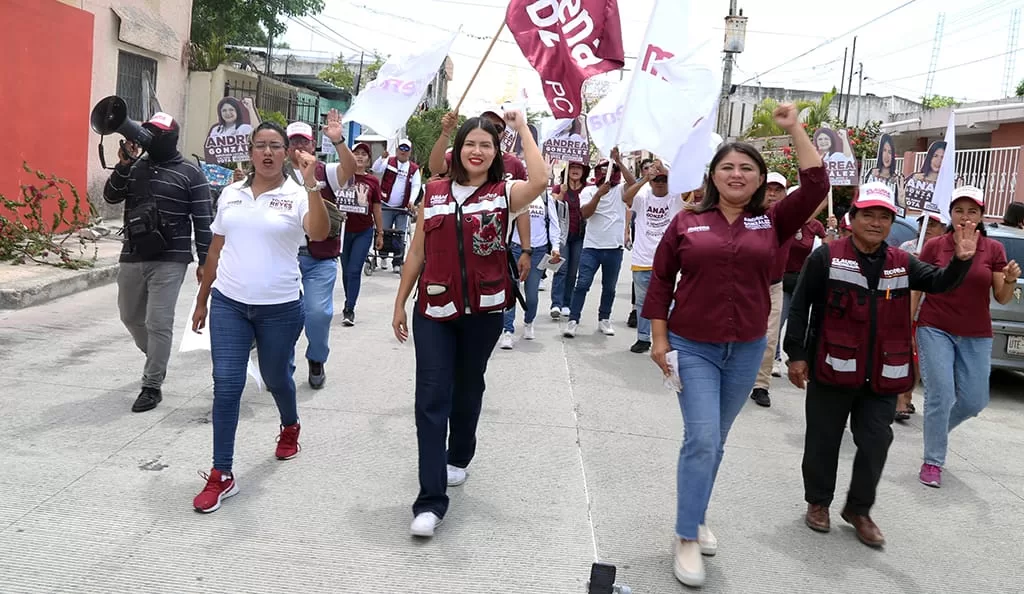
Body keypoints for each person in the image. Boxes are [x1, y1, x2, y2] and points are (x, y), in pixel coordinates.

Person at [644, 104, 829, 588]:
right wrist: (659, 340)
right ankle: (686, 535)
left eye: (747, 167)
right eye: (727, 166)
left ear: (761, 178)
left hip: (745, 349)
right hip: (693, 346)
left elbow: (816, 186)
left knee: (717, 440)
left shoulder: (773, 223)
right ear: (713, 175)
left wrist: (795, 129)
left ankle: (696, 512)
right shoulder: (687, 222)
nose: (737, 173)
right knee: (702, 438)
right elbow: (662, 280)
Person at [784, 182, 976, 548]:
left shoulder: (901, 262)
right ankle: (818, 502)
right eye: (868, 215)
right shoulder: (826, 256)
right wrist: (796, 355)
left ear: (891, 223)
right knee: (823, 440)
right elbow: (800, 307)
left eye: (884, 217)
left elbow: (938, 283)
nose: (875, 223)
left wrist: (961, 262)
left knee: (876, 440)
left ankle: (858, 509)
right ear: (852, 218)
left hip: (882, 373)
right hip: (833, 366)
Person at [391, 109, 547, 538]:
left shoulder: (505, 193)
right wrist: (400, 302)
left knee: (468, 386)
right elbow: (418, 252)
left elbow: (540, 180)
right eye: (470, 143)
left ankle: (459, 455)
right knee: (430, 399)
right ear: (457, 149)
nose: (477, 151)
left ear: (496, 152)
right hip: (434, 312)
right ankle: (430, 501)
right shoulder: (434, 190)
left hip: (484, 312)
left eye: (486, 144)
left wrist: (522, 129)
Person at [189, 121, 332, 513]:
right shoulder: (230, 194)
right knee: (227, 384)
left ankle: (290, 424)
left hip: (281, 307)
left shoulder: (298, 194)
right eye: (260, 146)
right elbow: (215, 251)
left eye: (275, 146)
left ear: (287, 152)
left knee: (276, 377)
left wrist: (313, 184)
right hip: (229, 303)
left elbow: (318, 234)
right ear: (249, 152)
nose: (267, 153)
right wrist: (202, 301)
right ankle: (222, 473)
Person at [103, 112, 212, 413]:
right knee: (130, 316)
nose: (150, 137)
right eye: (147, 131)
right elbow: (111, 196)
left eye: (157, 133)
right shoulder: (136, 168)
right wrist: (124, 165)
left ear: (172, 137)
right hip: (133, 253)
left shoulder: (192, 174)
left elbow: (204, 221)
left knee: (158, 321)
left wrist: (206, 261)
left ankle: (151, 385)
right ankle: (157, 359)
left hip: (171, 258)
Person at [915, 186, 1021, 488]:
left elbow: (1001, 296)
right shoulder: (935, 246)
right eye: (959, 210)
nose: (965, 217)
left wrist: (1011, 280)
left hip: (976, 333)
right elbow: (917, 286)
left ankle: (937, 429)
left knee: (975, 401)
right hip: (935, 327)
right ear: (950, 214)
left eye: (972, 211)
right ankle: (933, 460)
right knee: (942, 394)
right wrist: (907, 322)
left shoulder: (994, 249)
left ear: (981, 216)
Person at [284, 114, 357, 389]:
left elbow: (349, 169)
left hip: (319, 257)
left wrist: (338, 140)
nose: (299, 146)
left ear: (314, 144)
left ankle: (316, 358)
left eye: (304, 140)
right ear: (287, 146)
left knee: (318, 313)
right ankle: (281, 364)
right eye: (294, 141)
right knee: (284, 317)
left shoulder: (324, 171)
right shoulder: (275, 175)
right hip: (285, 257)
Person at [564, 150, 636, 338]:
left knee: (609, 288)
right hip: (591, 247)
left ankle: (604, 318)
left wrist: (619, 161)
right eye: (601, 171)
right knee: (582, 284)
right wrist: (598, 195)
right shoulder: (588, 191)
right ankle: (573, 319)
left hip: (614, 248)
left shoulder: (620, 190)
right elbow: (585, 214)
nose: (606, 175)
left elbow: (633, 184)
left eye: (610, 171)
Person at [622, 159, 683, 353]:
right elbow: (626, 198)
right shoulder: (643, 196)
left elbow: (692, 189)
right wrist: (644, 179)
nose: (660, 182)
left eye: (664, 179)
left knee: (669, 302)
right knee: (642, 302)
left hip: (668, 260)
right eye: (656, 179)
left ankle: (668, 338)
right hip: (642, 258)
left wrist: (667, 170)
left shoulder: (676, 198)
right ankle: (643, 338)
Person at [749, 172, 793, 407]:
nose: (773, 194)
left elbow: (815, 199)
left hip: (774, 285)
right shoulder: (746, 213)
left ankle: (761, 385)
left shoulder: (788, 218)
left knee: (769, 338)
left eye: (779, 189)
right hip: (746, 285)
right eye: (769, 188)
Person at [500, 186, 562, 349]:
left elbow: (554, 225)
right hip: (515, 248)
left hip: (539, 250)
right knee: (512, 289)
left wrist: (555, 247)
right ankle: (508, 330)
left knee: (532, 294)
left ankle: (529, 321)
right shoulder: (517, 194)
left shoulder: (546, 198)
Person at [337, 143, 385, 325]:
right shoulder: (341, 174)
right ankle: (348, 300)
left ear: (368, 159)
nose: (359, 156)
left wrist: (380, 233)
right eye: (355, 153)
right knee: (346, 272)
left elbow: (377, 208)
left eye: (363, 154)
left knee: (354, 270)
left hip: (363, 231)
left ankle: (349, 308)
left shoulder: (372, 181)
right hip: (343, 230)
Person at [372, 138, 422, 273]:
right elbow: (375, 168)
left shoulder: (413, 169)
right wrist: (381, 159)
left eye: (406, 149)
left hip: (402, 208)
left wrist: (411, 200)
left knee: (400, 235)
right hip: (386, 204)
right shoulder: (389, 161)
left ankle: (397, 261)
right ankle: (381, 257)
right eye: (401, 148)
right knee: (383, 231)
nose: (403, 152)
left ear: (410, 152)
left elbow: (416, 186)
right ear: (397, 149)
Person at [550, 161, 589, 319]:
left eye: (579, 168)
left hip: (579, 235)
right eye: (572, 168)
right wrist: (561, 194)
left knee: (573, 271)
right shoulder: (559, 188)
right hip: (562, 235)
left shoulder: (587, 189)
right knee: (561, 269)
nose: (575, 171)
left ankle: (567, 303)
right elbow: (553, 207)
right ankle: (556, 304)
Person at [627, 158, 656, 329]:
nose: (651, 171)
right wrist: (626, 231)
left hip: (663, 256)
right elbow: (627, 200)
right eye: (646, 168)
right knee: (641, 297)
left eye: (653, 168)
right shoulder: (640, 190)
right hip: (642, 250)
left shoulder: (672, 194)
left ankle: (663, 337)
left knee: (662, 299)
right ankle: (643, 335)